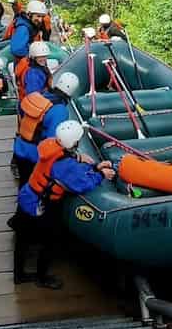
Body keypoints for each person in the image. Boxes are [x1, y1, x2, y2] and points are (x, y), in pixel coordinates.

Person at [10, 119, 115, 289]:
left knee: (23, 239)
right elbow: (81, 183)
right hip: (40, 205)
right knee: (50, 240)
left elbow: (70, 166)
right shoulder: (64, 165)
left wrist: (95, 166)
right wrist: (101, 175)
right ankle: (42, 277)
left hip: (27, 196)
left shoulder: (49, 145)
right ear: (73, 142)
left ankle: (19, 274)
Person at [11, 72, 81, 184]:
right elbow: (54, 140)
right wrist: (75, 156)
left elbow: (21, 110)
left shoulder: (41, 96)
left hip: (20, 147)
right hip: (34, 155)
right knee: (34, 186)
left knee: (24, 185)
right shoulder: (60, 110)